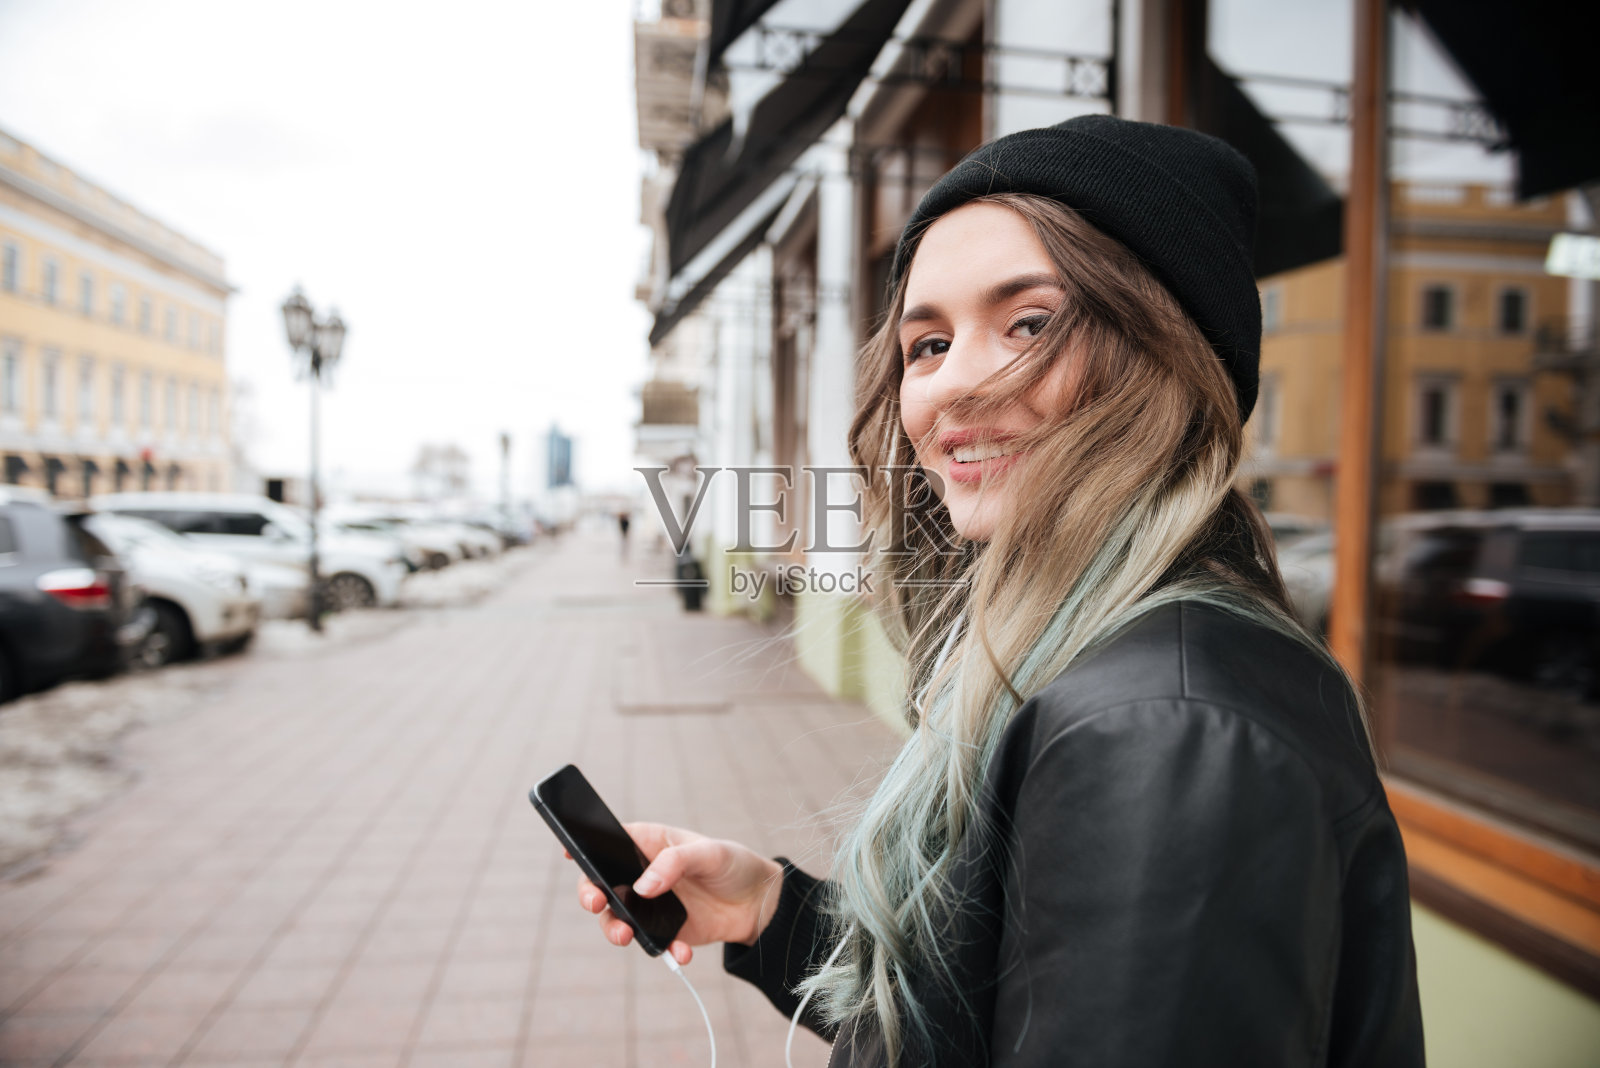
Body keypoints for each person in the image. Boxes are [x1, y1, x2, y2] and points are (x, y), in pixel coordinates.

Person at [570, 116, 1425, 1067]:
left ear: (1169, 355)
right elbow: (994, 1003)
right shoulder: (1094, 655)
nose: (952, 387)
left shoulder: (1158, 728)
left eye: (1030, 322)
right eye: (926, 344)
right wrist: (769, 909)